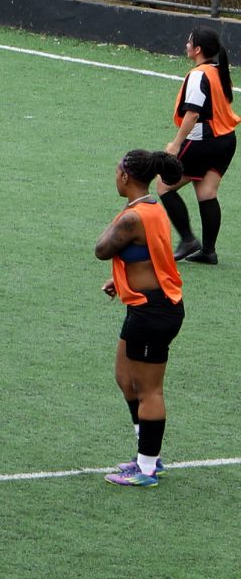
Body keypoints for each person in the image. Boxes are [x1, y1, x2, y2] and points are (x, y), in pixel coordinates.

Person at [98, 149, 186, 486]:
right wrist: (119, 280)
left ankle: (148, 468)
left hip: (154, 312)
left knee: (150, 390)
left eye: (117, 169)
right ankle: (144, 453)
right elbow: (149, 255)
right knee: (125, 377)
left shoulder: (134, 216)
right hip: (144, 306)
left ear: (125, 176)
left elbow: (102, 248)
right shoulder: (149, 206)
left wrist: (121, 215)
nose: (114, 175)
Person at [163, 27, 234, 265]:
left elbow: (192, 114)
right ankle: (208, 251)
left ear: (198, 49)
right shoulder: (218, 71)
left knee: (164, 186)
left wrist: (176, 144)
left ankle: (188, 240)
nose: (186, 45)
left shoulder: (198, 75)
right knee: (206, 193)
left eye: (189, 42)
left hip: (204, 141)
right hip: (226, 141)